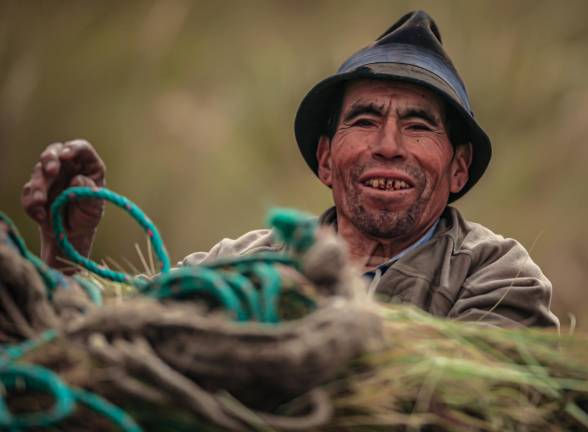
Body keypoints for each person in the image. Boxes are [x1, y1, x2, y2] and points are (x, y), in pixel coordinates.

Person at [21, 11, 559, 329]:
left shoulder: (498, 275)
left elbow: (477, 408)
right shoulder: (240, 265)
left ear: (458, 168)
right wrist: (65, 253)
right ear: (326, 158)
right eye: (365, 120)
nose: (389, 146)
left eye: (418, 126)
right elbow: (98, 346)